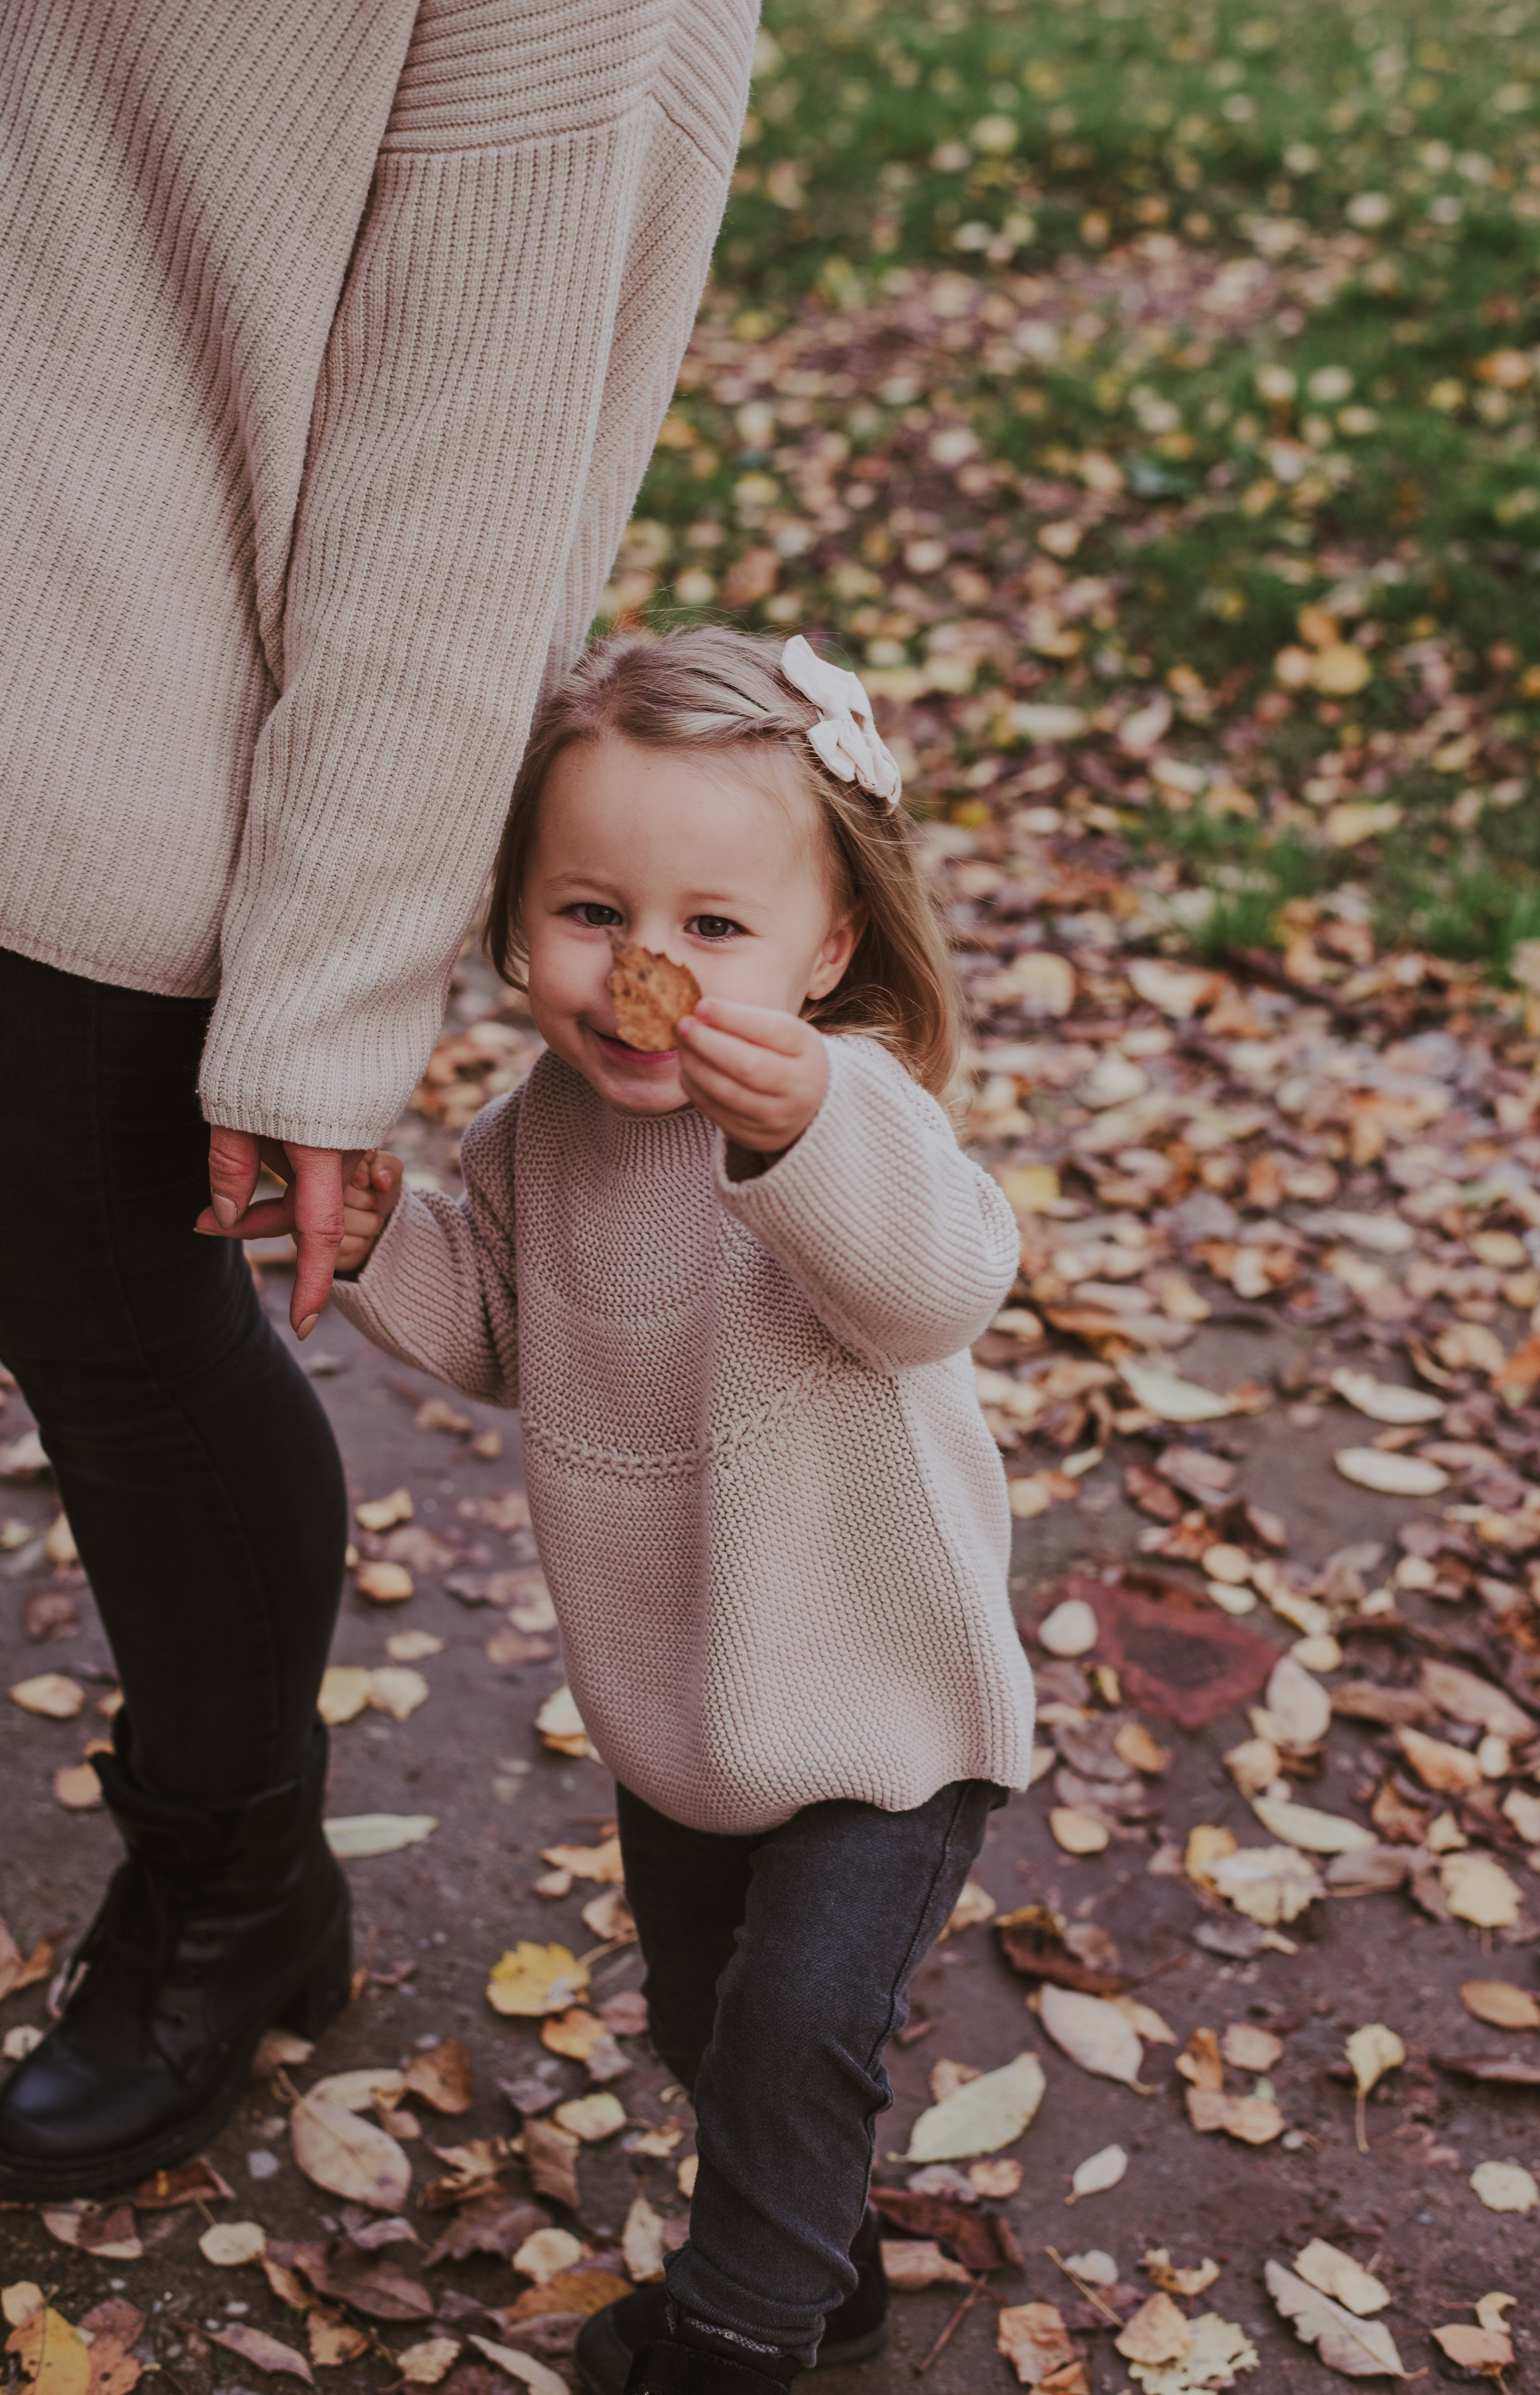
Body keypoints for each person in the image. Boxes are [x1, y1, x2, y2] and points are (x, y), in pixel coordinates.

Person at [0, 1, 758, 2196]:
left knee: (122, 1339)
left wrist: (328, 1005)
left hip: (112, 757)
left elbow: (469, 485)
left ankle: (238, 1897)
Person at [321, 629, 1035, 2394]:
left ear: (830, 945)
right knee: (712, 2025)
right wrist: (349, 1235)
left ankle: (743, 2334)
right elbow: (498, 1323)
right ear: (518, 920)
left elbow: (940, 1284)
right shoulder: (533, 1130)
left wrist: (804, 1140)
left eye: (715, 927)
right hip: (681, 1705)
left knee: (799, 2023)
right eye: (592, 911)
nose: (647, 967)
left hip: (884, 1705)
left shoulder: (844, 1111)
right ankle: (832, 2274)